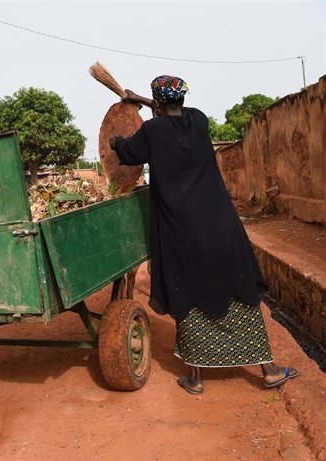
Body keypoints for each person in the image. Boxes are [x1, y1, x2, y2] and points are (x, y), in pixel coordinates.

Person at [108, 76, 299, 394]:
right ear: (183, 98)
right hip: (220, 225)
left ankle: (196, 379)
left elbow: (128, 152)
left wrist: (115, 142)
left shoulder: (152, 132)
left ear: (157, 102)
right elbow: (168, 113)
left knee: (187, 293)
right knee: (240, 291)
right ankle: (268, 370)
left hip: (181, 230)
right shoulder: (197, 119)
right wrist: (141, 98)